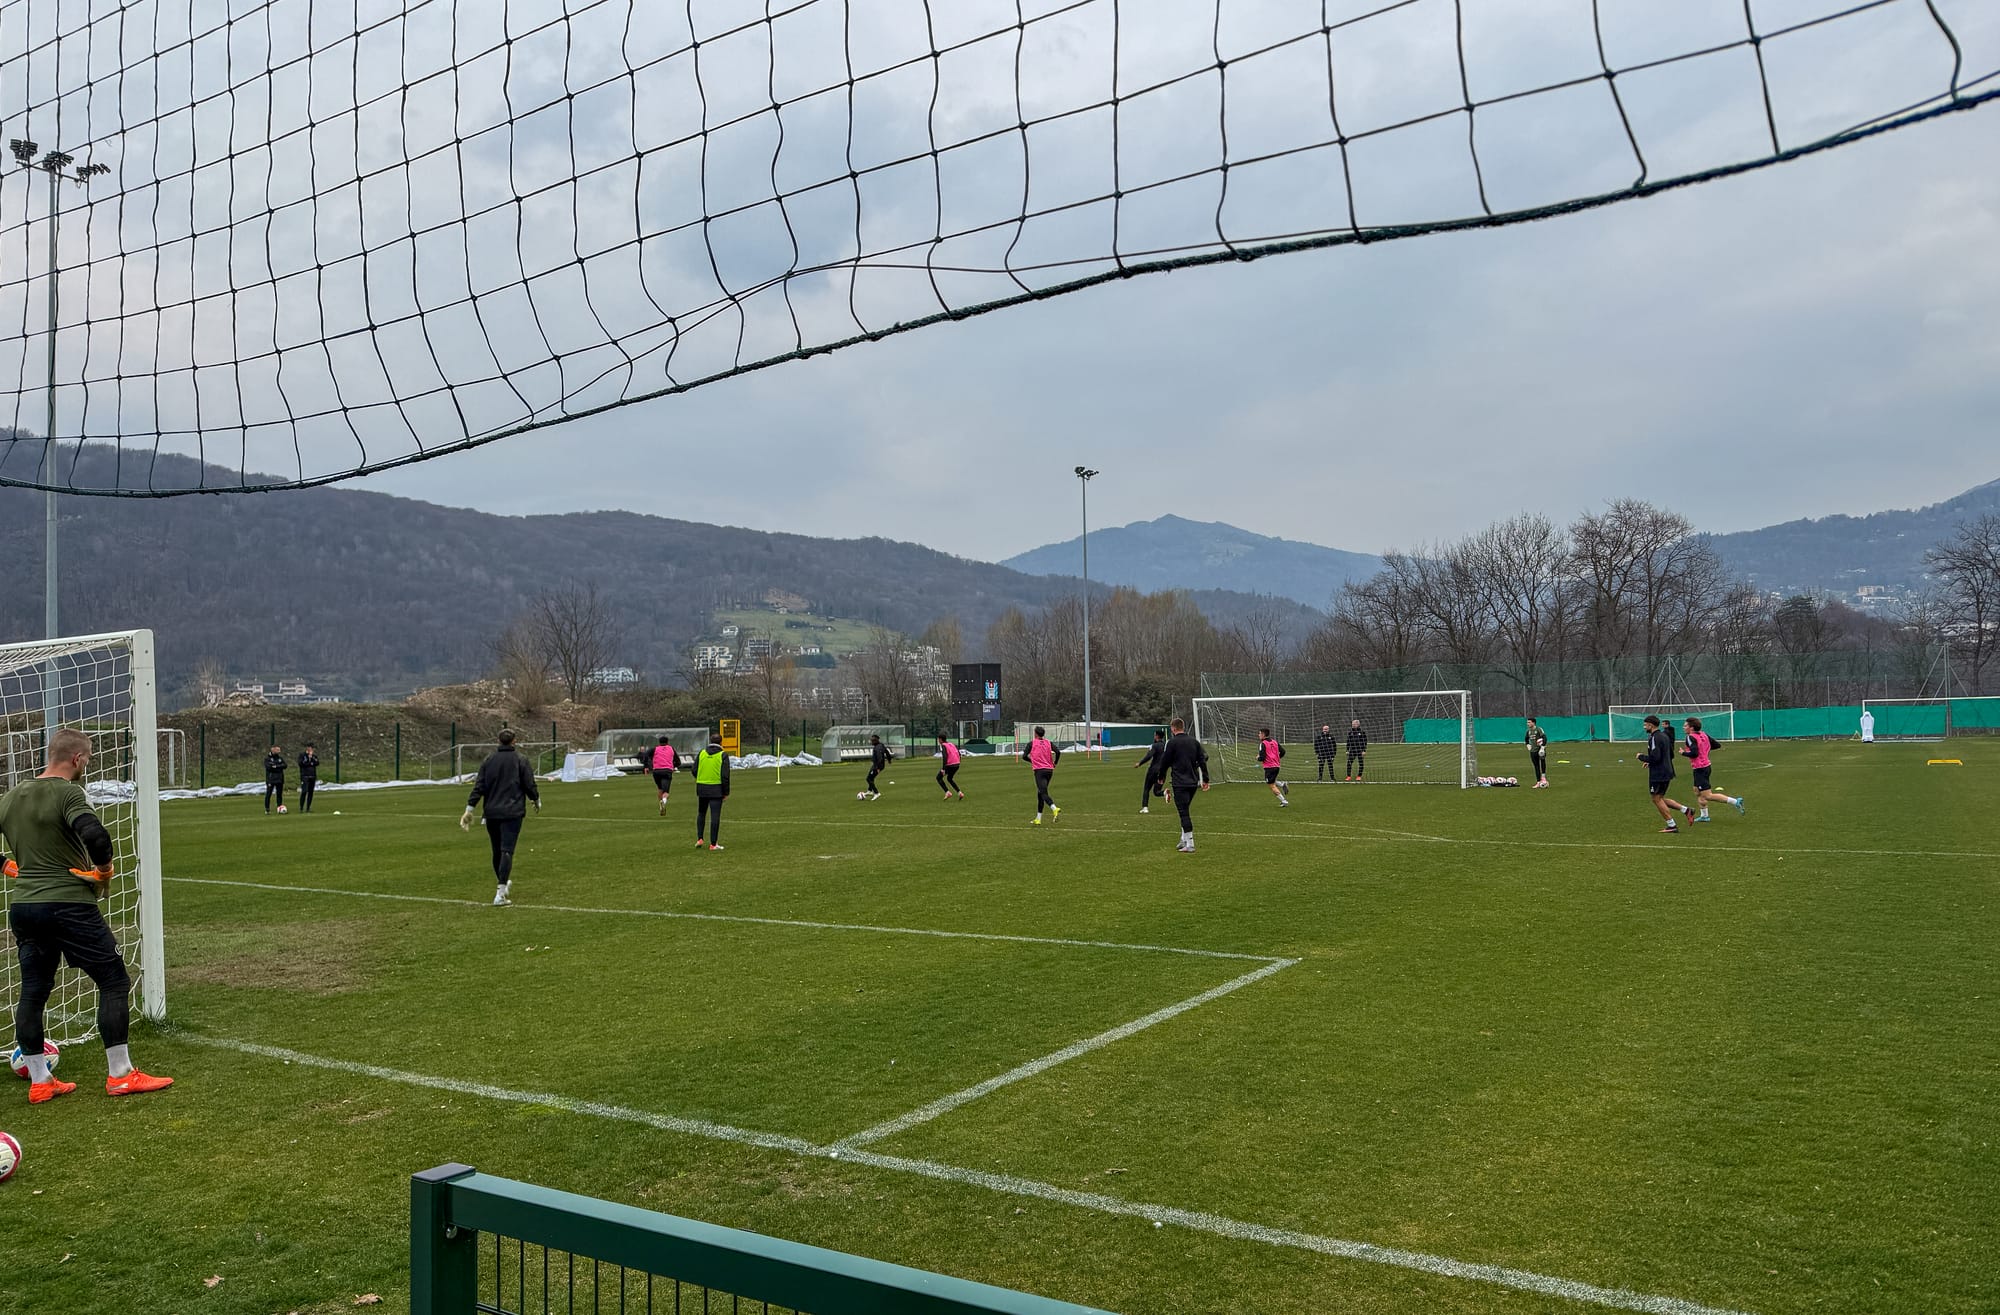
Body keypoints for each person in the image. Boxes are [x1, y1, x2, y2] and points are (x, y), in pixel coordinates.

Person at [0, 728, 174, 1103]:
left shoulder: (11, 796)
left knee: (33, 991)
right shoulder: (68, 792)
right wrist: (104, 870)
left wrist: (5, 865)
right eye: (88, 760)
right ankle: (121, 1075)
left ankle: (41, 1080)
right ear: (77, 759)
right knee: (113, 980)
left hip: (24, 907)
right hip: (68, 904)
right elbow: (95, 835)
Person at [460, 729, 540, 905]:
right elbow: (529, 784)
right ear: (514, 741)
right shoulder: (520, 759)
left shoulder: (489, 760)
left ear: (498, 741)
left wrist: (469, 808)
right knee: (507, 850)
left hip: (492, 812)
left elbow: (479, 786)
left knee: (497, 850)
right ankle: (500, 892)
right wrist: (535, 799)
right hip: (512, 812)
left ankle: (502, 883)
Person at [1157, 717, 1211, 852]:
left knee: (1183, 813)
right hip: (1193, 782)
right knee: (1185, 809)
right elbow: (1203, 759)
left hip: (1179, 782)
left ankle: (1190, 844)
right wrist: (1205, 779)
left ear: (1173, 728)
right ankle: (1183, 839)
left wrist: (1161, 777)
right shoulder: (1194, 742)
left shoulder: (1172, 743)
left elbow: (1165, 761)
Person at [1637, 715, 1695, 833]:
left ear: (1651, 725)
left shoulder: (1654, 737)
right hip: (1667, 770)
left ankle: (1671, 825)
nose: (1644, 727)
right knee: (1659, 798)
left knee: (1656, 799)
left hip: (1659, 773)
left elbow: (1655, 757)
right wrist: (1650, 763)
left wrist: (1642, 757)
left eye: (1645, 725)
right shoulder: (1664, 736)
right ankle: (1686, 810)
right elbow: (1669, 755)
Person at [1681, 717, 1745, 822]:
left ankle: (1735, 801)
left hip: (1700, 768)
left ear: (1691, 728)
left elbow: (1694, 753)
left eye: (1685, 725)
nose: (1683, 727)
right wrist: (1704, 750)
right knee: (1697, 791)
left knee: (1707, 795)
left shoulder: (1690, 737)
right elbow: (1716, 745)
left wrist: (1683, 753)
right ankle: (1704, 816)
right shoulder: (1703, 734)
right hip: (1705, 766)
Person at [693, 732, 731, 850]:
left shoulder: (702, 753)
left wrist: (701, 778)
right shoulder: (723, 755)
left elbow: (694, 770)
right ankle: (713, 844)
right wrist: (726, 792)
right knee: (715, 816)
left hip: (702, 788)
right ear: (721, 742)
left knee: (701, 813)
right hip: (716, 788)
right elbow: (725, 776)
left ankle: (700, 838)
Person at [1022, 726, 1061, 825]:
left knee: (1043, 793)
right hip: (1049, 770)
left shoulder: (1032, 743)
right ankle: (1038, 819)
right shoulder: (1048, 742)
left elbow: (1024, 756)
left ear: (1035, 734)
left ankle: (1054, 808)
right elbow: (1058, 752)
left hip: (1039, 771)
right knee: (1040, 794)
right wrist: (1055, 762)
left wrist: (1032, 761)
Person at [1133, 729, 1167, 813]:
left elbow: (1149, 756)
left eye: (1155, 735)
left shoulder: (1154, 746)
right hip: (1162, 771)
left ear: (1157, 736)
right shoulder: (1166, 746)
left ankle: (1145, 807)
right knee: (1156, 791)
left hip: (1153, 770)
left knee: (1146, 789)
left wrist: (1140, 763)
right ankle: (1164, 793)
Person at [1256, 728, 1288, 806]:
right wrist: (1276, 758)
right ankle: (1282, 784)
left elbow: (1262, 757)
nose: (1258, 735)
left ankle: (1284, 801)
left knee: (1271, 785)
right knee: (1271, 781)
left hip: (1269, 767)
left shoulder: (1262, 743)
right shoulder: (1275, 742)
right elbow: (1283, 752)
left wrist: (1258, 758)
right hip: (1277, 766)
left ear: (1263, 734)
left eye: (1259, 733)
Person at [648, 736, 677, 816]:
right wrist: (674, 765)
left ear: (659, 742)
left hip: (656, 771)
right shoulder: (671, 749)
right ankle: (663, 801)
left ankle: (661, 807)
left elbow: (646, 755)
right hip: (667, 771)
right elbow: (678, 761)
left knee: (660, 788)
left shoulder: (655, 749)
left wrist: (650, 765)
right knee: (666, 792)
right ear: (668, 742)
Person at [863, 733, 893, 800]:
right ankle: (870, 791)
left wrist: (878, 768)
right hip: (876, 765)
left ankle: (876, 793)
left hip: (877, 766)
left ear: (875, 741)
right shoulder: (881, 745)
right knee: (871, 777)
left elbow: (880, 758)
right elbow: (887, 752)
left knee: (868, 779)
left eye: (872, 741)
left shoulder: (877, 748)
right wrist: (889, 760)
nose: (871, 742)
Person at [935, 734, 965, 799]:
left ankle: (947, 792)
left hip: (950, 765)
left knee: (938, 778)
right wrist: (958, 761)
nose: (938, 740)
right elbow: (959, 753)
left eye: (938, 739)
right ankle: (960, 793)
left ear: (940, 739)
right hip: (957, 764)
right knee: (949, 779)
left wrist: (943, 769)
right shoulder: (951, 744)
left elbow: (945, 757)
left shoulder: (943, 745)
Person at [297, 742, 320, 813]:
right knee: (304, 791)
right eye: (310, 747)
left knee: (311, 792)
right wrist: (309, 762)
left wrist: (311, 758)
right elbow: (301, 764)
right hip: (305, 776)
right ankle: (301, 807)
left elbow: (317, 763)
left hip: (312, 776)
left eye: (312, 748)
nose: (311, 749)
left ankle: (308, 808)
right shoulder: (302, 755)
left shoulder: (314, 756)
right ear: (307, 748)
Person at [263, 744, 286, 813]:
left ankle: (279, 807)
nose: (279, 751)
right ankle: (267, 809)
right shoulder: (267, 759)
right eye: (277, 749)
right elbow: (269, 767)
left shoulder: (280, 758)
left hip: (279, 779)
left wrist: (276, 766)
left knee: (279, 794)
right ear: (272, 749)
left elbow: (285, 765)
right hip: (271, 779)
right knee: (268, 794)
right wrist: (278, 767)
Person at [1525, 718, 1549, 788]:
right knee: (1536, 766)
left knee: (1542, 762)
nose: (1528, 724)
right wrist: (1527, 745)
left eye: (1529, 722)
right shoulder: (1528, 731)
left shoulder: (1539, 729)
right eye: (1527, 722)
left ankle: (1543, 777)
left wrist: (1542, 747)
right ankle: (1538, 782)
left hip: (1540, 750)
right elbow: (1526, 739)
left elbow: (1544, 738)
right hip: (1533, 751)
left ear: (1533, 723)